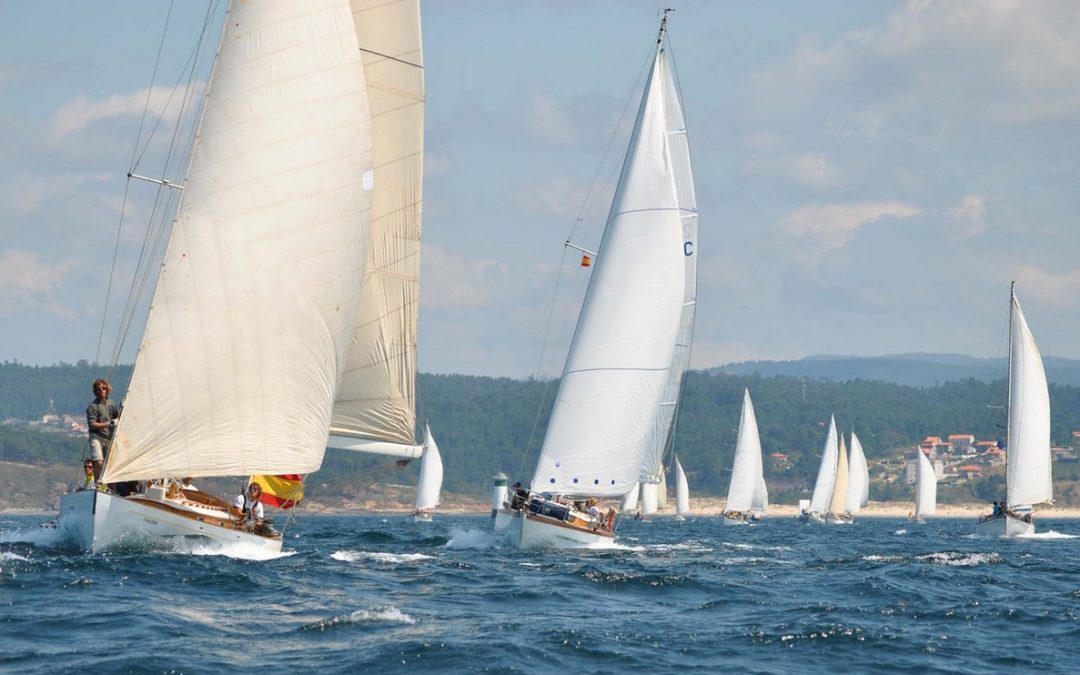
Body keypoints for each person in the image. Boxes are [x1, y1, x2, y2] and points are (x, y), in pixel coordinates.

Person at [85, 378, 120, 485]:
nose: (102, 391)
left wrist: (123, 408)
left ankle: (112, 489)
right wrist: (108, 424)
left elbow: (118, 418)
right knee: (98, 461)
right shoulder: (93, 406)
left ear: (107, 389)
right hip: (96, 436)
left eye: (104, 388)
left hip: (108, 437)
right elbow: (92, 424)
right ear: (95, 391)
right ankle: (97, 484)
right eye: (99, 389)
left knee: (110, 465)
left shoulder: (112, 403)